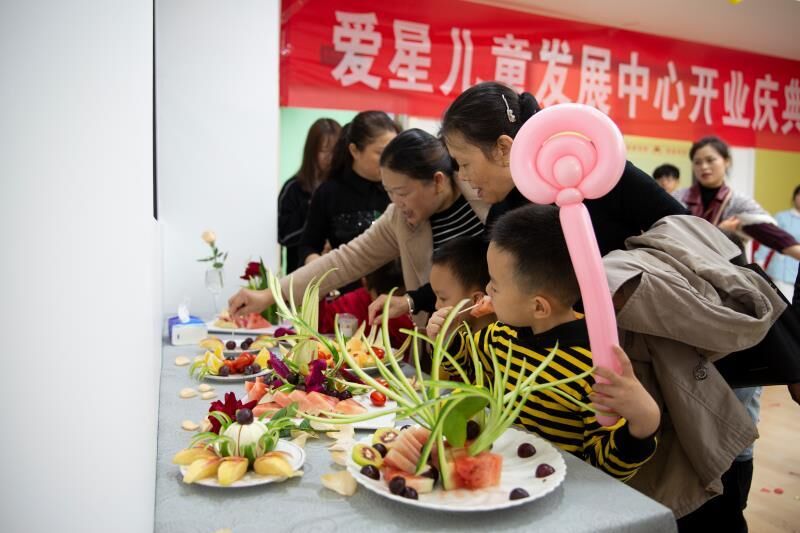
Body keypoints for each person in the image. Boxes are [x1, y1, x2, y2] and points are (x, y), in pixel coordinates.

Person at [367, 81, 688, 323]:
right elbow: (478, 269)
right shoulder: (504, 209)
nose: (463, 176)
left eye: (464, 163)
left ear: (503, 149)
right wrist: (414, 301)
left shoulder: (596, 172)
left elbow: (685, 230)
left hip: (641, 341)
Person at [444, 204, 661, 482]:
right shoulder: (502, 333)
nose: (487, 290)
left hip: (555, 492)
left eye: (495, 285)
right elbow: (467, 368)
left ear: (538, 307)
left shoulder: (594, 369)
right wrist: (450, 336)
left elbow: (606, 469)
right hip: (498, 479)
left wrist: (643, 423)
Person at [228, 128, 488, 324]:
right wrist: (270, 294)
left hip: (490, 339)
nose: (396, 203)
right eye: (389, 192)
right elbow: (346, 260)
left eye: (402, 192)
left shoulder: (484, 196)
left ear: (438, 181)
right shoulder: (398, 217)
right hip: (438, 344)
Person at [297, 111, 400, 276]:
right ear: (354, 151)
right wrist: (317, 265)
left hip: (396, 288)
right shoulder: (329, 193)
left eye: (394, 152)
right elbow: (309, 245)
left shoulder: (399, 189)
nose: (390, 160)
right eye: (381, 153)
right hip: (344, 286)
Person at [673, 136, 800, 260]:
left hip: (721, 270)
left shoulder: (738, 202)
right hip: (679, 268)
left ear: (726, 161)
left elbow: (770, 233)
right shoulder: (679, 198)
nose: (704, 167)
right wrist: (721, 232)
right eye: (697, 162)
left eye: (710, 160)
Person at [278, 118, 341, 273]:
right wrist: (312, 207)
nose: (330, 157)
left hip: (340, 272)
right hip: (302, 273)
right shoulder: (294, 188)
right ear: (311, 151)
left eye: (335, 151)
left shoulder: (343, 188)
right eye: (324, 151)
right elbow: (283, 236)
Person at [425, 236, 495, 374]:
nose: (436, 305)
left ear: (477, 299)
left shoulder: (499, 341)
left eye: (443, 298)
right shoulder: (459, 335)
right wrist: (445, 340)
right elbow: (451, 368)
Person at [318, 259, 414, 348]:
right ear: (365, 282)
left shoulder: (410, 312)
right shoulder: (346, 306)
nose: (388, 303)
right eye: (381, 296)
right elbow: (322, 333)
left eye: (400, 295)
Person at [756, 184, 800, 298]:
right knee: (784, 303)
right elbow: (769, 239)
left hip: (797, 270)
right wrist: (760, 261)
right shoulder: (782, 217)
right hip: (781, 272)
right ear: (794, 197)